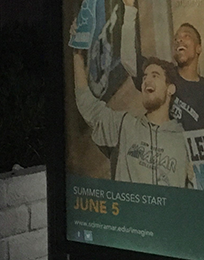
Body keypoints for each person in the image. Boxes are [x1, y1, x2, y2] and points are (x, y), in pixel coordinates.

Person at [73, 50, 189, 187]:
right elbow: (87, 105)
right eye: (145, 77)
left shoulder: (185, 142)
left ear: (170, 89)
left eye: (155, 76)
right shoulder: (123, 126)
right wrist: (77, 55)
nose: (147, 81)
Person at [119, 0, 204, 130]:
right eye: (176, 38)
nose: (179, 40)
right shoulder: (162, 74)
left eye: (186, 36)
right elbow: (128, 59)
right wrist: (129, 9)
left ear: (198, 48)